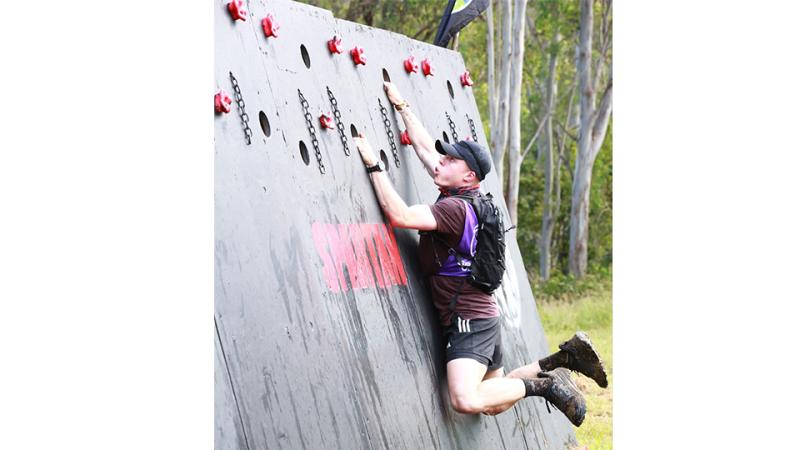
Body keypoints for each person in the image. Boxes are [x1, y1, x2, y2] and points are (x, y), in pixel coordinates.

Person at [352, 82, 608, 426]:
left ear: (468, 174)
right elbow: (427, 150)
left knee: (464, 398)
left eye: (451, 159)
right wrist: (403, 107)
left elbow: (400, 216)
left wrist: (372, 164)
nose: (441, 161)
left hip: (468, 319)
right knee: (495, 401)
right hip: (481, 314)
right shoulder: (466, 197)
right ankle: (561, 360)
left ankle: (544, 388)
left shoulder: (455, 209)